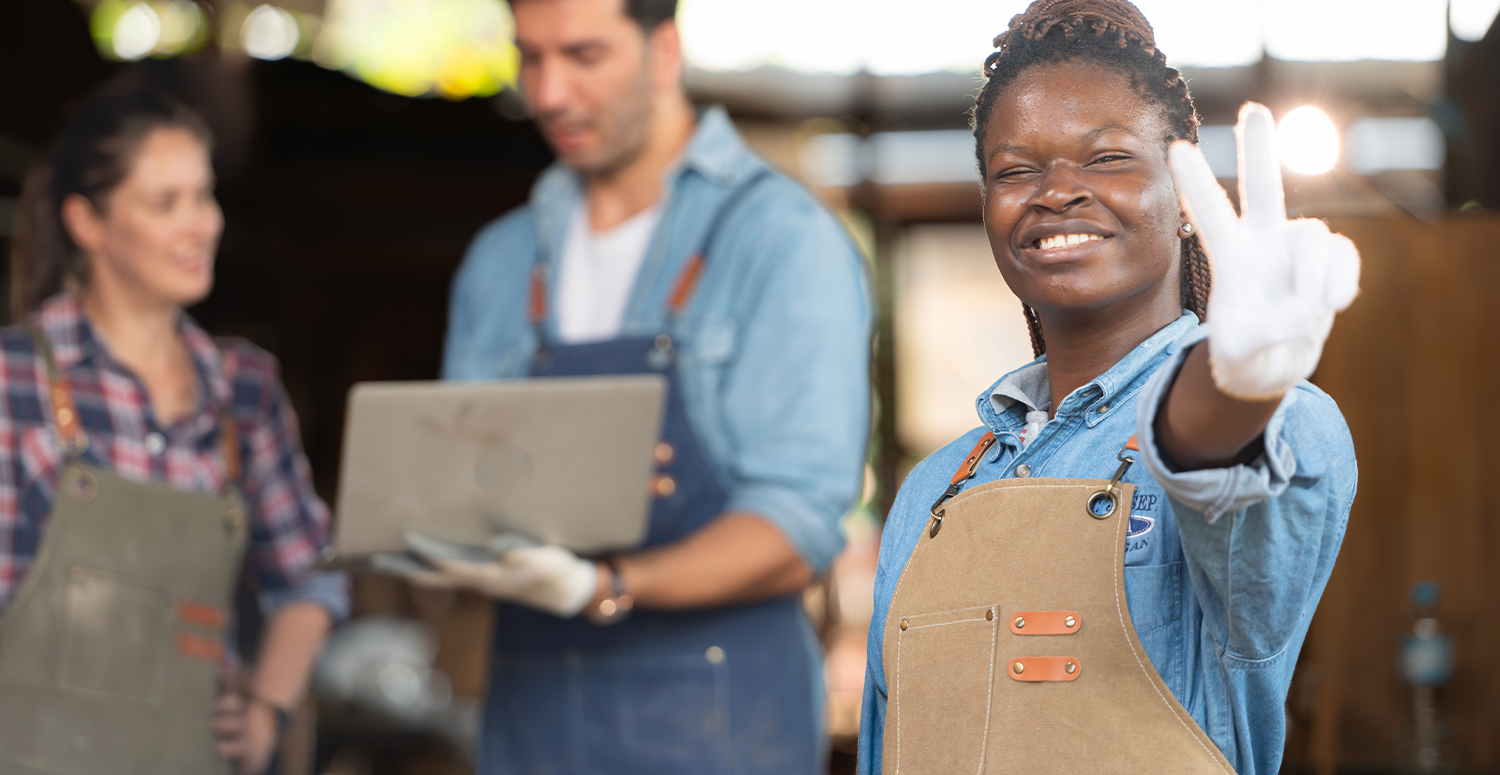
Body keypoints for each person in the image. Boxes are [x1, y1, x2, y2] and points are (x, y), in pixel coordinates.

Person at [857, 2, 1360, 774]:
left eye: (1107, 158)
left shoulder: (1286, 425)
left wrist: (1234, 384)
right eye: (1016, 170)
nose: (1057, 191)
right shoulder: (933, 492)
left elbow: (1207, 456)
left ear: (1186, 197)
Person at [414, 0, 871, 772]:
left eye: (584, 56)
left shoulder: (781, 241)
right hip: (531, 715)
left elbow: (797, 525)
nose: (550, 93)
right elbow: (461, 488)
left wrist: (602, 584)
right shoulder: (499, 260)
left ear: (664, 50)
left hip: (719, 719)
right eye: (531, 57)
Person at [0, 86, 346, 775]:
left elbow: (312, 576)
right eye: (165, 204)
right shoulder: (16, 382)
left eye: (204, 196)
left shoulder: (244, 392)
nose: (201, 225)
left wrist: (266, 712)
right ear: (87, 222)